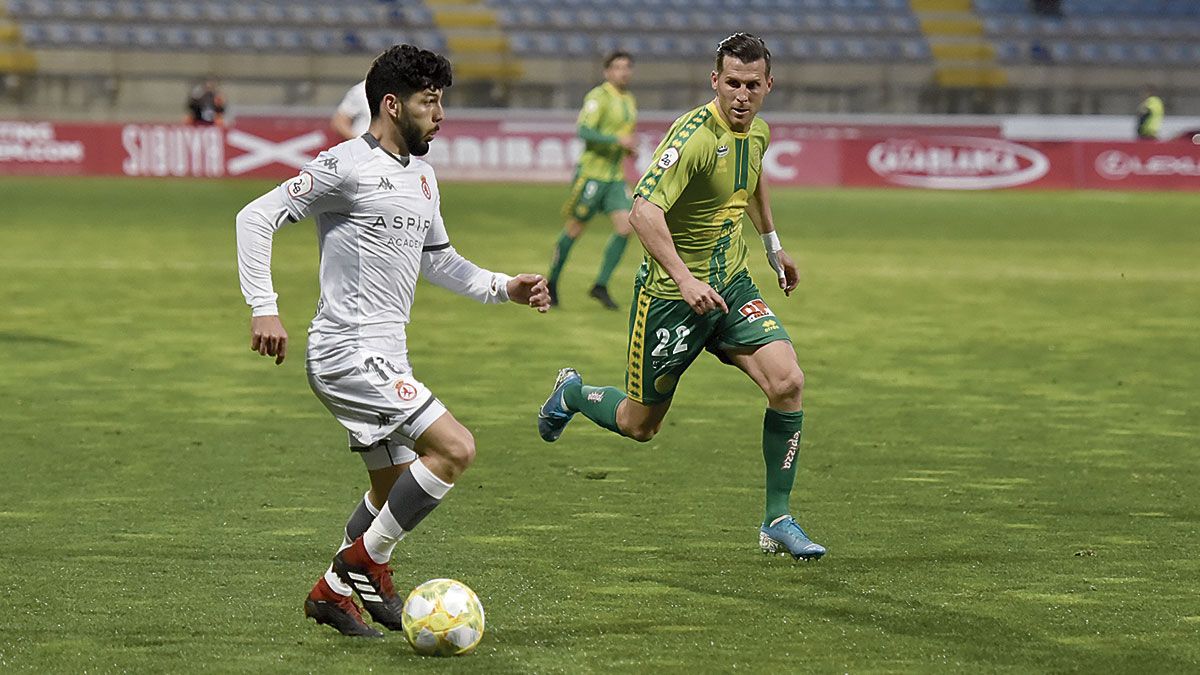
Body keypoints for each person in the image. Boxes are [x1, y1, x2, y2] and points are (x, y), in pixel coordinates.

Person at [235, 44, 551, 638]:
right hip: (347, 351)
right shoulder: (345, 165)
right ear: (391, 104)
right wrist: (263, 309)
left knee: (391, 488)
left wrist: (504, 286)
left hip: (386, 353)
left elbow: (441, 261)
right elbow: (254, 218)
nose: (441, 115)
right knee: (454, 450)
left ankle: (342, 588)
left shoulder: (423, 178)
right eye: (430, 103)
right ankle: (349, 573)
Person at [537, 33, 825, 561]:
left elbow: (753, 177)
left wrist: (773, 247)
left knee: (788, 382)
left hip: (731, 286)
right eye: (732, 84)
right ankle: (574, 392)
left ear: (768, 85)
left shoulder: (758, 131)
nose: (742, 96)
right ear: (715, 81)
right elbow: (645, 211)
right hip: (672, 297)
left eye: (752, 86)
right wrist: (686, 280)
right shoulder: (692, 137)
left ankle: (777, 519)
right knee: (639, 425)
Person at [545, 51, 638, 310]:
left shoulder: (629, 100)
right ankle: (551, 283)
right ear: (607, 72)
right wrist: (616, 141)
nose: (623, 72)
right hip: (591, 176)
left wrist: (629, 148)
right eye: (618, 67)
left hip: (614, 177)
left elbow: (624, 135)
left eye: (627, 67)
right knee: (574, 230)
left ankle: (601, 285)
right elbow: (583, 130)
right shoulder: (598, 97)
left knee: (626, 227)